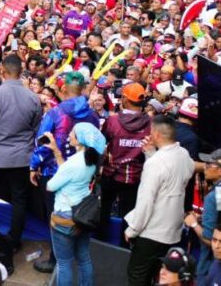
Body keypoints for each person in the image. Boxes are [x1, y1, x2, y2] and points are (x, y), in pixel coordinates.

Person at [29, 71, 101, 273]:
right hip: (83, 173)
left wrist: (34, 166)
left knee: (56, 216)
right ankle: (78, 257)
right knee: (77, 214)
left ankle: (56, 260)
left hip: (55, 172)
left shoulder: (55, 113)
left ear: (62, 89)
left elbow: (43, 143)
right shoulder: (92, 115)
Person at [0, 54, 42, 250]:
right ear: (21, 72)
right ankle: (14, 241)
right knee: (19, 199)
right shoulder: (33, 98)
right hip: (22, 157)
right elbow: (35, 129)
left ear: (2, 71)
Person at [125, 115, 196, 286]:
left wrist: (133, 229)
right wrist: (151, 153)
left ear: (156, 134)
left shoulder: (157, 163)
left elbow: (146, 200)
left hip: (152, 231)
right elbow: (166, 180)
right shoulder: (184, 155)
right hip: (172, 231)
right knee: (160, 278)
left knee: (137, 275)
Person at [45, 122, 106, 286]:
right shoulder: (92, 160)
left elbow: (50, 186)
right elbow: (68, 173)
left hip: (64, 217)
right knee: (84, 259)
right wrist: (57, 152)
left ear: (80, 140)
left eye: (73, 133)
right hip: (83, 216)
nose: (69, 134)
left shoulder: (73, 164)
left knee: (64, 263)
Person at [99, 82, 151, 243]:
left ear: (125, 99)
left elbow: (101, 143)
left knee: (104, 211)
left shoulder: (113, 121)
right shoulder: (151, 123)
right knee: (129, 215)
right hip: (135, 177)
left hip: (111, 174)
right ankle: (124, 247)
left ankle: (101, 243)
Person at [185, 149, 221, 282]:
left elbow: (209, 240)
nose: (205, 168)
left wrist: (194, 223)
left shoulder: (212, 197)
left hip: (209, 267)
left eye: (209, 165)